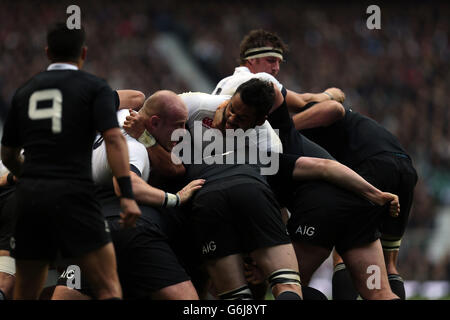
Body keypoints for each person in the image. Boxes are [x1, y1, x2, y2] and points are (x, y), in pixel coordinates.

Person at [125, 79, 401, 300]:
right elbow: (322, 166)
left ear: (258, 123)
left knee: (255, 286)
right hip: (350, 200)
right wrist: (375, 194)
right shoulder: (195, 106)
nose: (230, 119)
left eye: (241, 119)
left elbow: (273, 199)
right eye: (231, 108)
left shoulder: (266, 145)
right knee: (370, 290)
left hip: (308, 207)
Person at [0, 22, 141, 300]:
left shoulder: (24, 92)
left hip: (29, 200)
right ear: (84, 54)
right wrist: (127, 194)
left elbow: (7, 154)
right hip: (75, 197)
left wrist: (25, 174)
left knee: (25, 292)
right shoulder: (94, 88)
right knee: (108, 288)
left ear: (47, 51)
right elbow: (113, 140)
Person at [52, 95, 204, 300]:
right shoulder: (135, 147)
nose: (183, 132)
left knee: (67, 294)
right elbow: (127, 185)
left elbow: (135, 95)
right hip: (131, 230)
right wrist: (174, 198)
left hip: (88, 231)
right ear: (155, 122)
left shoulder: (118, 114)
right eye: (178, 125)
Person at [293, 100, 418, 299]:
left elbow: (332, 107)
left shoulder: (306, 118)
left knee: (346, 245)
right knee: (388, 264)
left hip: (373, 166)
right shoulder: (354, 128)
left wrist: (289, 126)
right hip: (404, 170)